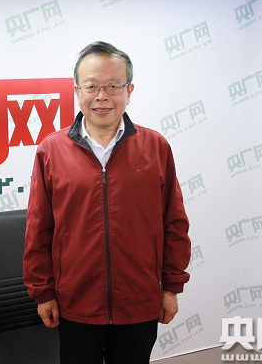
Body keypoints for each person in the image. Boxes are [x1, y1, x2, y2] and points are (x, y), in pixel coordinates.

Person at [22, 41, 191, 364]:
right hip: (76, 303)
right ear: (77, 91)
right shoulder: (51, 150)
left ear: (129, 91)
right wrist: (42, 293)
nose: (102, 96)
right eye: (91, 86)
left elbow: (174, 223)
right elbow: (38, 229)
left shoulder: (155, 147)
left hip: (139, 301)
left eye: (113, 86)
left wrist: (171, 287)